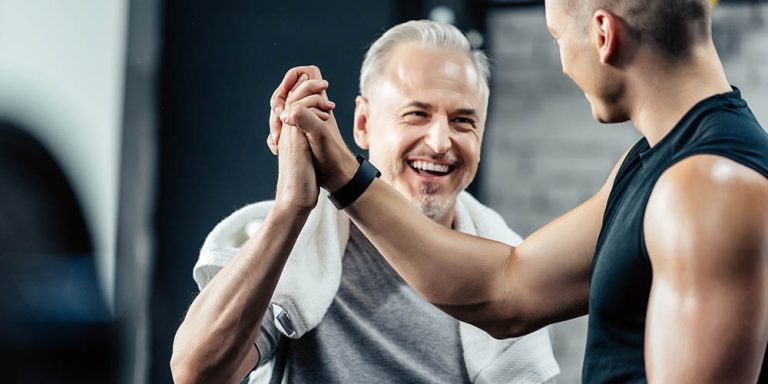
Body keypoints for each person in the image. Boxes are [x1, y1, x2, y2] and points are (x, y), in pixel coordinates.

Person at [270, 1, 768, 382]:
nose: (563, 61)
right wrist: (342, 172)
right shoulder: (651, 166)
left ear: (603, 35)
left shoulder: (707, 189)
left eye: (556, 36)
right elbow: (507, 288)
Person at [170, 21, 559, 384]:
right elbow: (198, 373)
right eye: (416, 114)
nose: (441, 143)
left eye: (462, 122)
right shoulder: (299, 251)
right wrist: (291, 206)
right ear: (362, 124)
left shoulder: (501, 268)